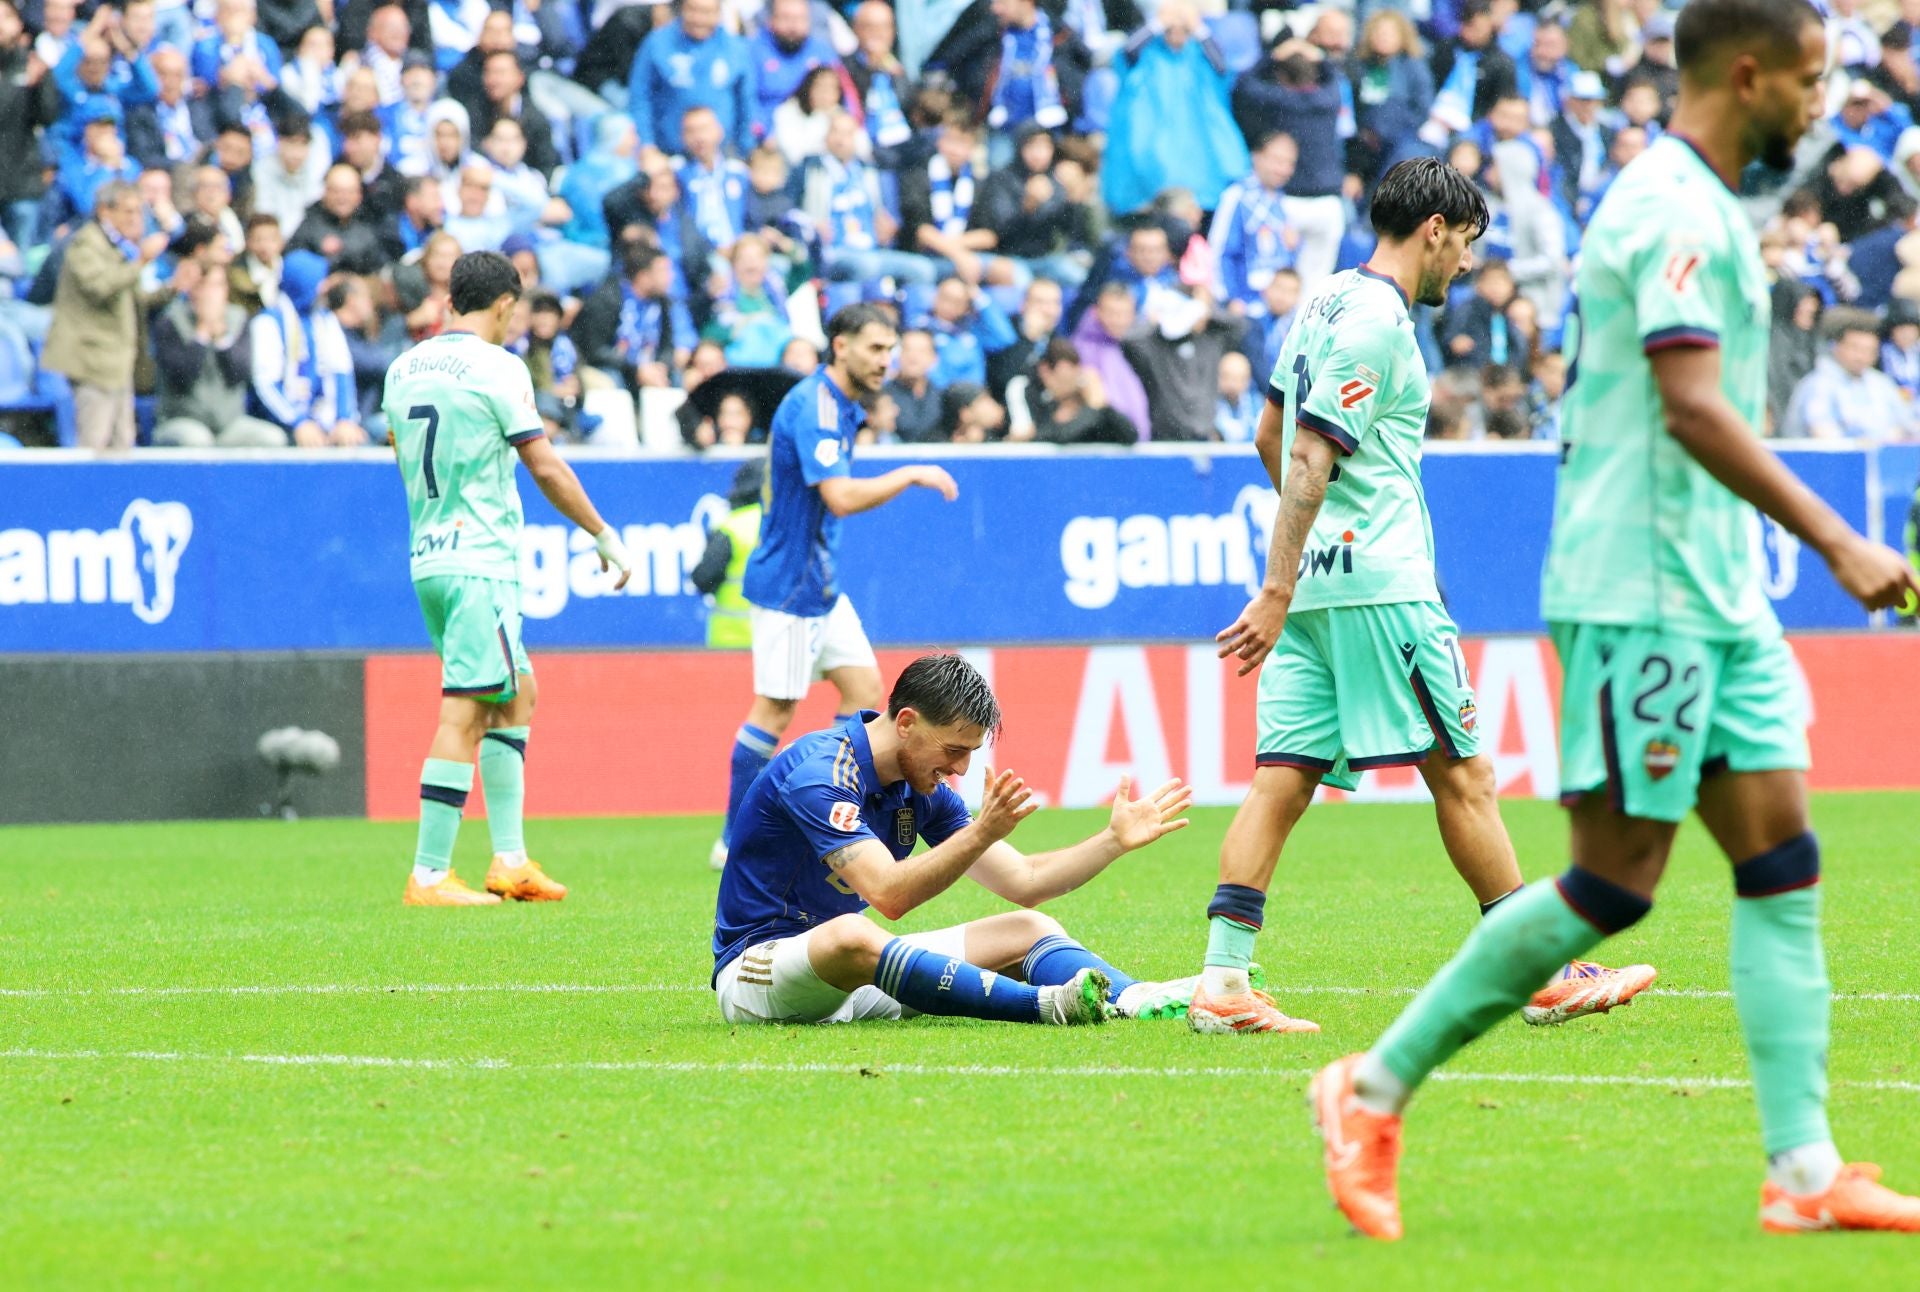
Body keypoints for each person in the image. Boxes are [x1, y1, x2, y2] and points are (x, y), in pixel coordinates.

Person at [1312, 0, 1920, 1241]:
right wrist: (1838, 538)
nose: (1819, 106)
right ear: (1747, 75)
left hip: (1716, 586)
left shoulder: (1710, 205)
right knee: (1616, 880)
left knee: (1783, 854)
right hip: (1638, 586)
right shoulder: (1666, 209)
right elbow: (1690, 403)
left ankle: (1805, 1168)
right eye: (1809, 82)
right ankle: (1370, 1086)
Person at [1193, 157, 1656, 1035]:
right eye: (1467, 242)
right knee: (1464, 773)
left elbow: (1268, 432)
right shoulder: (1377, 322)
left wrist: (1305, 557)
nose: (1469, 263)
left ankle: (1222, 983)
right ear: (1435, 229)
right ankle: (1540, 970)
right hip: (1379, 585)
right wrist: (1280, 582)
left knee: (1280, 781)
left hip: (1320, 589)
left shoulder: (1324, 301)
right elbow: (1307, 452)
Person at [713, 652, 1202, 1026]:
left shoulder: (921, 789)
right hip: (759, 973)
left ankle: (1135, 997)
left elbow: (1025, 880)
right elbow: (888, 894)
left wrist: (1112, 841)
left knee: (1028, 927)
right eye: (953, 749)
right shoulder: (820, 774)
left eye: (969, 753)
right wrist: (982, 832)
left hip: (854, 977)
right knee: (852, 933)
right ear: (907, 722)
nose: (960, 769)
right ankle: (1044, 1005)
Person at [384, 250, 633, 907]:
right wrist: (601, 533)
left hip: (430, 555)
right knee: (465, 709)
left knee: (518, 692)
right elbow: (543, 464)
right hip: (478, 559)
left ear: (450, 300)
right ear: (503, 305)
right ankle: (429, 874)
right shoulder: (498, 367)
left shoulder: (403, 368)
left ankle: (511, 860)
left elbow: (399, 446)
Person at [713, 304, 961, 870]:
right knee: (775, 709)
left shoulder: (842, 405)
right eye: (874, 348)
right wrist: (909, 472)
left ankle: (821, 807)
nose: (885, 360)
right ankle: (732, 841)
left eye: (890, 349)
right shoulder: (817, 407)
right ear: (840, 345)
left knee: (864, 689)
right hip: (789, 584)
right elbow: (840, 497)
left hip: (819, 583)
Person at [41, 180, 171, 449]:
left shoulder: (119, 247)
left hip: (117, 361)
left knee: (123, 442)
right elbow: (100, 287)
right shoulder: (85, 244)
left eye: (139, 212)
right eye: (128, 211)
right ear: (104, 211)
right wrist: (141, 261)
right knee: (95, 442)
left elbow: (135, 299)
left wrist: (174, 286)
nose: (135, 219)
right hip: (92, 360)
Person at [151, 265, 287, 446]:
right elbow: (181, 377)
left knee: (272, 438)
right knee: (197, 440)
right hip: (181, 420)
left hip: (229, 423)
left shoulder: (238, 319)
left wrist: (222, 339)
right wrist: (202, 333)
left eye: (219, 285)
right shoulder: (171, 321)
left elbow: (241, 374)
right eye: (207, 286)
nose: (213, 294)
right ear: (194, 290)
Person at [628, 0, 757, 157]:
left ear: (718, 14)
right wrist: (646, 145)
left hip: (720, 155)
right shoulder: (657, 43)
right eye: (693, 10)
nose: (699, 19)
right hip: (667, 154)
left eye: (706, 12)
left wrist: (747, 149)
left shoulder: (735, 48)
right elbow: (640, 97)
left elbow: (746, 100)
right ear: (682, 9)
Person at [1783, 307, 1920, 439]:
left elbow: (1907, 425)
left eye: (1869, 350)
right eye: (1855, 348)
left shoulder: (1881, 383)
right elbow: (1821, 432)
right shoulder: (1819, 384)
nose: (1861, 356)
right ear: (1837, 346)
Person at [690, 458, 768, 659]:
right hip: (771, 639)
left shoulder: (732, 527)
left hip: (730, 640)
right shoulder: (778, 524)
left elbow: (703, 577)